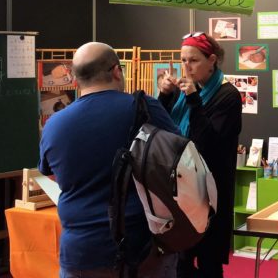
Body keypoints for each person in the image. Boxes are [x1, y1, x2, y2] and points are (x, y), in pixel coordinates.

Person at [38, 42, 180, 277]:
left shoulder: (54, 124)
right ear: (116, 70)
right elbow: (180, 160)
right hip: (142, 246)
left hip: (80, 251)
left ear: (74, 79)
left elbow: (52, 174)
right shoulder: (143, 108)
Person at [158, 32, 242, 278]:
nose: (187, 66)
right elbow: (157, 127)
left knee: (209, 262)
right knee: (180, 261)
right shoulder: (180, 92)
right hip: (180, 189)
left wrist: (194, 99)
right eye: (183, 60)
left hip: (211, 191)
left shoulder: (228, 96)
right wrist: (163, 96)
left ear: (212, 60)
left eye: (193, 60)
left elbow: (206, 143)